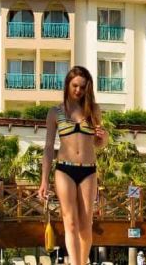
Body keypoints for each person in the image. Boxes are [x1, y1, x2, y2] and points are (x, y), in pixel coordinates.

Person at [38, 66, 109, 265]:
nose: (78, 90)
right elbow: (49, 147)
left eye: (83, 87)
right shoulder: (55, 112)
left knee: (86, 225)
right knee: (70, 223)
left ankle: (82, 262)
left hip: (88, 170)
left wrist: (104, 137)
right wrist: (44, 180)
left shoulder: (93, 110)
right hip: (64, 169)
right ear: (68, 85)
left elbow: (99, 143)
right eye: (75, 85)